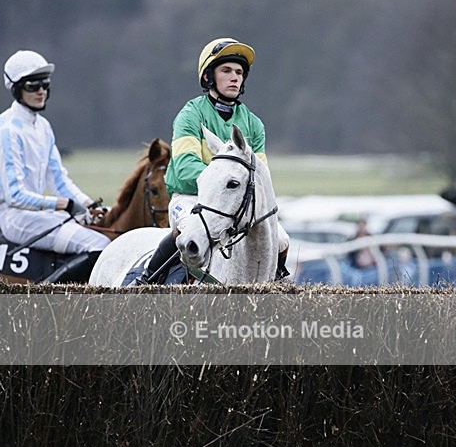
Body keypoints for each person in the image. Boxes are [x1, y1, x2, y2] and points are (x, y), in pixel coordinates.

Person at [132, 37, 288, 284]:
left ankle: (276, 279)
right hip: (191, 199)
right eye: (226, 71)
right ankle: (147, 279)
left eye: (239, 72)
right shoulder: (190, 115)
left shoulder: (254, 125)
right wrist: (221, 186)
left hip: (234, 205)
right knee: (189, 232)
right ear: (208, 77)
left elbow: (261, 178)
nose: (234, 77)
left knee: (279, 238)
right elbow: (184, 168)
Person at [0, 49, 109, 283]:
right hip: (15, 219)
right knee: (98, 245)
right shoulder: (7, 130)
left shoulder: (43, 127)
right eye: (32, 85)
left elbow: (59, 180)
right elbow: (15, 196)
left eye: (45, 84)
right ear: (17, 89)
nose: (41, 91)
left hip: (41, 215)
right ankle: (45, 299)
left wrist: (88, 204)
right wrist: (64, 204)